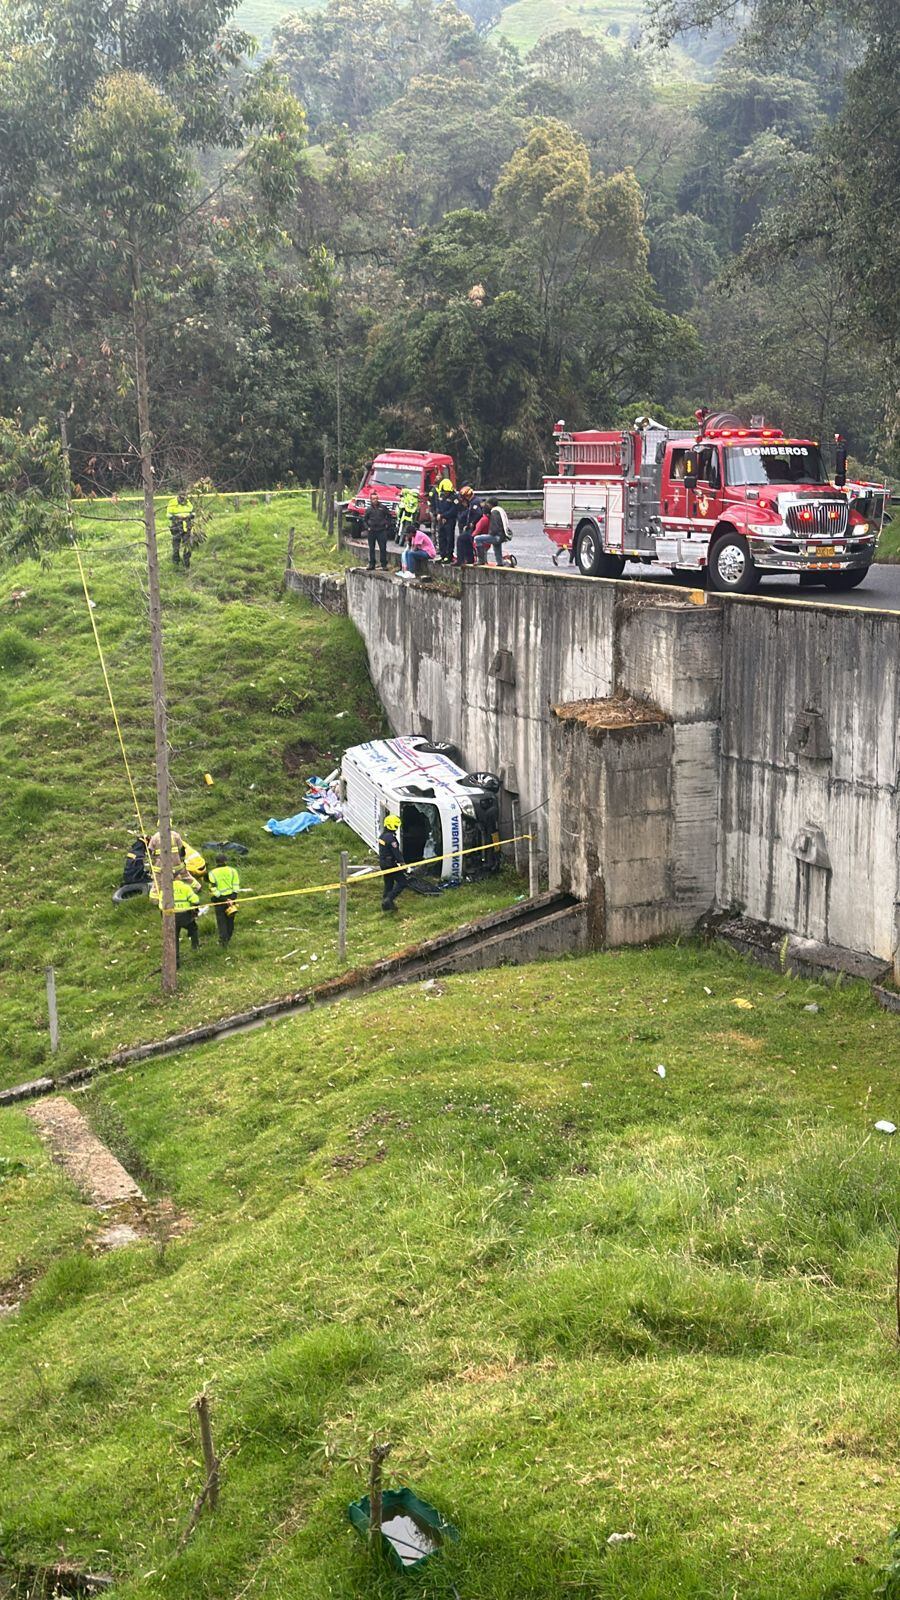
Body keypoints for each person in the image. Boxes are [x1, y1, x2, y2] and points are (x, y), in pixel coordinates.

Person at [208, 853, 240, 948]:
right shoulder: (233, 871)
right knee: (230, 919)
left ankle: (223, 942)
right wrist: (232, 898)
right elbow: (236, 885)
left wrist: (224, 899)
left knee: (221, 921)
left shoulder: (212, 873)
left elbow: (213, 889)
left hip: (219, 901)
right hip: (232, 899)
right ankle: (228, 937)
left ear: (216, 862)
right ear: (226, 861)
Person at [378, 813, 407, 913]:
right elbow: (396, 853)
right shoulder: (391, 839)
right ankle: (388, 899)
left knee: (388, 884)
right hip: (390, 864)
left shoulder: (382, 836)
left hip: (383, 864)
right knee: (402, 882)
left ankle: (386, 906)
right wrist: (403, 864)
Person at [170, 870, 200, 964]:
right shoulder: (185, 887)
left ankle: (176, 960)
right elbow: (195, 900)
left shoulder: (166, 889)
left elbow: (161, 905)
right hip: (185, 915)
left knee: (174, 938)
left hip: (171, 917)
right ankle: (195, 947)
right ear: (178, 877)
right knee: (194, 928)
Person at [362, 491, 393, 571]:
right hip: (371, 531)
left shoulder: (383, 507)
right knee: (371, 548)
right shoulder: (369, 509)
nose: (375, 500)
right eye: (373, 499)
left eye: (376, 498)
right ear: (371, 500)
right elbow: (364, 520)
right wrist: (367, 527)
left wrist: (387, 525)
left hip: (381, 530)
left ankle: (384, 564)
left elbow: (389, 516)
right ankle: (372, 563)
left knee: (383, 547)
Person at [167, 491, 195, 569]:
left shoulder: (188, 502)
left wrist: (188, 516)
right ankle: (176, 562)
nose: (183, 500)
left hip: (187, 524)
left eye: (185, 498)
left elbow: (193, 513)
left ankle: (186, 562)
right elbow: (168, 515)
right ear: (178, 497)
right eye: (181, 498)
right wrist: (177, 517)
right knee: (176, 544)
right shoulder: (172, 502)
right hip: (176, 525)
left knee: (188, 544)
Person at [434, 479, 459, 563]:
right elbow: (438, 506)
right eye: (444, 491)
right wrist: (439, 514)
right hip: (441, 520)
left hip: (450, 520)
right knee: (441, 537)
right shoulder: (441, 496)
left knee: (449, 538)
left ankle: (449, 556)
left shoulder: (455, 498)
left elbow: (454, 510)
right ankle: (442, 555)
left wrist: (444, 516)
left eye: (447, 491)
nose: (446, 493)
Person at [455, 486, 478, 565]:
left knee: (461, 539)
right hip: (470, 527)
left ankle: (460, 560)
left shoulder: (475, 502)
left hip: (475, 528)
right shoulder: (472, 502)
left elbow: (478, 514)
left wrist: (472, 523)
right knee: (466, 541)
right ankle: (469, 559)